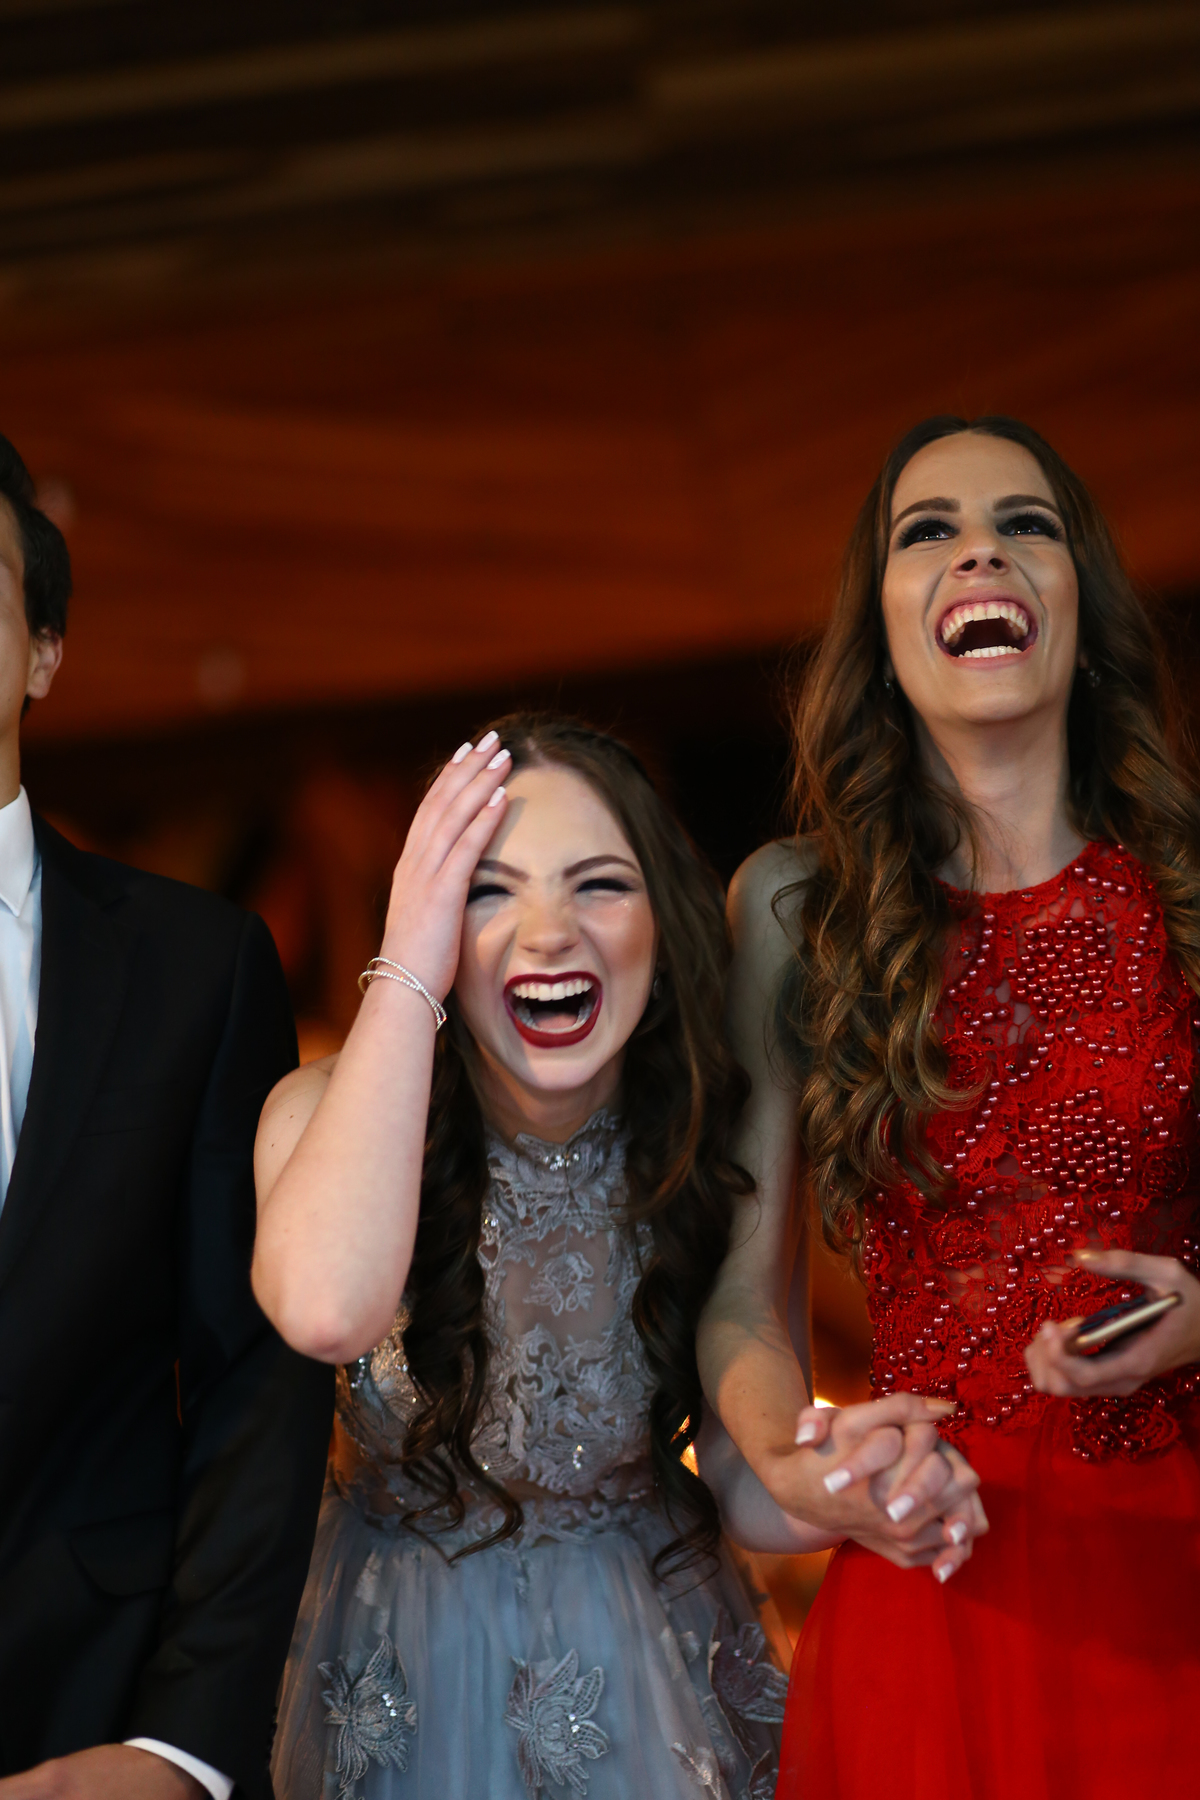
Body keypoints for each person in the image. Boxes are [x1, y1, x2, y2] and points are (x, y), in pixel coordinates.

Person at [696, 414, 1200, 1798]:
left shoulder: (1189, 886)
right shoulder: (794, 910)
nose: (981, 549)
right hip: (932, 1563)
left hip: (1175, 1560)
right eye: (930, 532)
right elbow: (742, 1296)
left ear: (1081, 605)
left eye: (1026, 524)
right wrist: (796, 1466)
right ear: (884, 628)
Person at [253, 714, 797, 1800]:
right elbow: (322, 1309)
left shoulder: (706, 1139)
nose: (548, 932)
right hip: (403, 1675)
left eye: (600, 885)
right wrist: (408, 969)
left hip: (647, 1671)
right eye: (488, 892)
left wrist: (856, 1476)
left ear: (664, 929)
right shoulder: (319, 1113)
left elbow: (753, 1485)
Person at [0, 436, 334, 1800]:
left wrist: (182, 1746)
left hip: (97, 1701)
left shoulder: (197, 968)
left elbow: (257, 1374)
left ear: (42, 649)